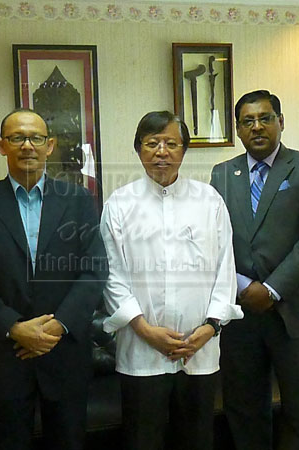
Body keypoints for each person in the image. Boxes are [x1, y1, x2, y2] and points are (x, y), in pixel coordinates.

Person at [0, 108, 108, 450]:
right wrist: (14, 327)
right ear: (1, 145)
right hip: (4, 356)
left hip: (65, 353)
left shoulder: (79, 199)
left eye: (36, 138)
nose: (27, 146)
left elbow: (94, 269)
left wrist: (59, 325)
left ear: (50, 145)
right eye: (17, 138)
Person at [101, 111, 243, 450]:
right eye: (152, 143)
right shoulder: (120, 204)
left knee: (196, 438)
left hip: (199, 349)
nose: (161, 151)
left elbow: (226, 268)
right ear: (138, 150)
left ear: (184, 150)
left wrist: (210, 327)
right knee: (142, 439)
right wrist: (146, 330)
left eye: (170, 143)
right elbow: (112, 275)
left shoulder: (209, 201)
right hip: (141, 350)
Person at [210, 90, 299, 450]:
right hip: (241, 313)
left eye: (265, 118)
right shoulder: (222, 173)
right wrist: (242, 286)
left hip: (295, 312)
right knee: (244, 409)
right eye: (247, 121)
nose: (257, 127)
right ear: (237, 129)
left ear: (281, 122)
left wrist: (271, 288)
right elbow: (212, 240)